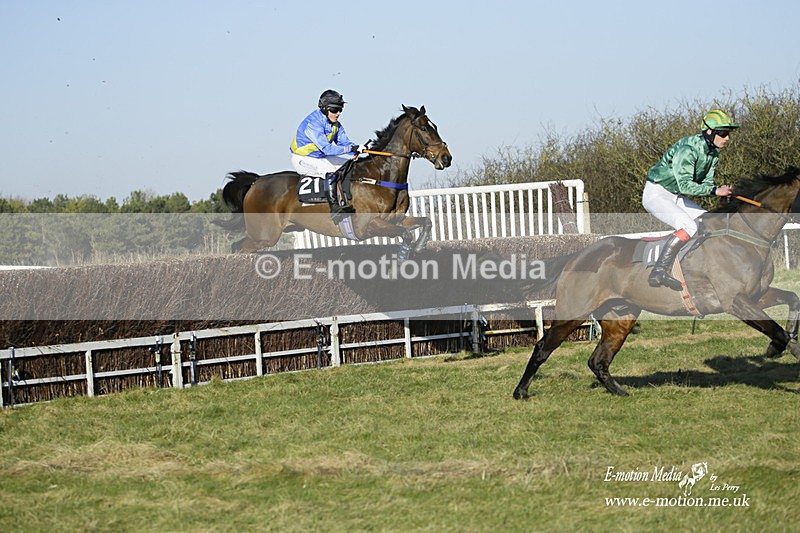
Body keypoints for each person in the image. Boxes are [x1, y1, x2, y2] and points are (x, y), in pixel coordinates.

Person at [642, 109, 739, 290]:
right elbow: (686, 186)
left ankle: (697, 269)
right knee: (689, 226)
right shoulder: (688, 150)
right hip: (656, 194)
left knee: (709, 223)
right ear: (709, 132)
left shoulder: (713, 153)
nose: (727, 138)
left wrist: (720, 190)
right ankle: (659, 271)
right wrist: (715, 190)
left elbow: (707, 184)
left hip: (674, 196)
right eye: (723, 133)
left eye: (728, 134)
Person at [290, 90, 360, 218]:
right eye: (334, 110)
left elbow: (344, 142)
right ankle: (334, 208)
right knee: (330, 171)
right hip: (302, 158)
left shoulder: (336, 125)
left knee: (349, 165)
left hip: (320, 157)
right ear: (324, 109)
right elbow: (327, 149)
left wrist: (359, 148)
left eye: (340, 110)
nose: (338, 114)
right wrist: (351, 148)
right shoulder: (313, 123)